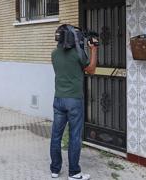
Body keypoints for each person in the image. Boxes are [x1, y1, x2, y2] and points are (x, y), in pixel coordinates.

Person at [50, 24, 97, 180]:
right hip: (74, 101)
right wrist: (93, 49)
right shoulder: (78, 54)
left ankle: (55, 170)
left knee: (56, 135)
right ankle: (74, 173)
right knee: (74, 136)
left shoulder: (54, 54)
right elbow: (91, 69)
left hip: (58, 99)